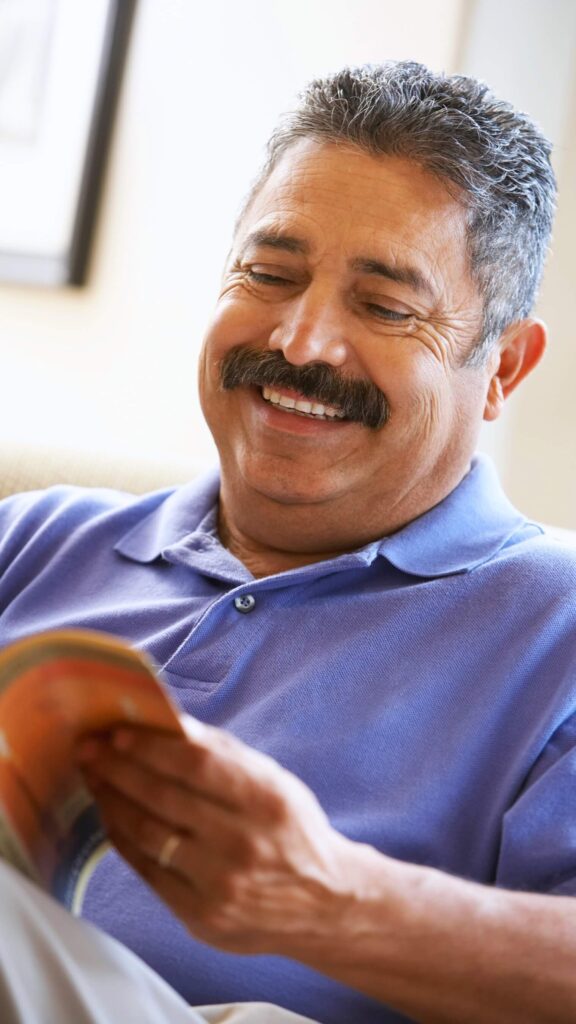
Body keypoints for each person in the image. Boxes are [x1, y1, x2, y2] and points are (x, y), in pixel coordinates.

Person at [0, 59, 575, 1024]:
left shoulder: (555, 626)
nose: (304, 341)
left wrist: (330, 901)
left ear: (502, 368)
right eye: (270, 275)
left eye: (385, 307)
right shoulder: (36, 538)